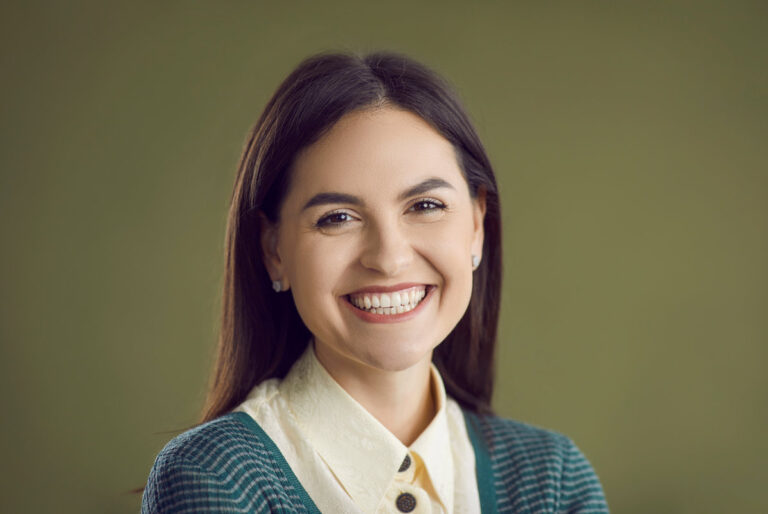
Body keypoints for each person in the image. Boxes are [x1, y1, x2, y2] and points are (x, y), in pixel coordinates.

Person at [141, 50, 609, 513]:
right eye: (337, 217)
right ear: (274, 250)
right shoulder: (214, 478)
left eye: (425, 206)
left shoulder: (554, 480)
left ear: (476, 226)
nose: (388, 258)